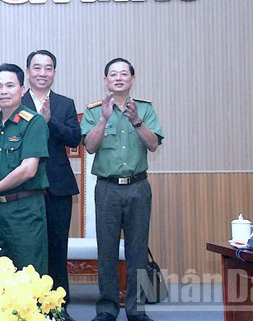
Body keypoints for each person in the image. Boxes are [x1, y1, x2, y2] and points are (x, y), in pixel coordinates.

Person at [81, 58, 164, 321]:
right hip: (107, 190)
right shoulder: (95, 110)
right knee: (106, 251)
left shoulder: (146, 109)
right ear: (105, 80)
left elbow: (153, 145)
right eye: (113, 74)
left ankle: (136, 310)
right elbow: (90, 147)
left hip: (138, 188)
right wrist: (103, 120)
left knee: (137, 251)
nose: (118, 78)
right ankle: (107, 309)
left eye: (124, 74)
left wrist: (138, 121)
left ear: (132, 79)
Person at [21, 50, 80, 321]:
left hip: (57, 187)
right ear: (28, 72)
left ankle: (59, 306)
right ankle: (28, 306)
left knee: (57, 248)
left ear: (54, 72)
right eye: (37, 68)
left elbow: (73, 139)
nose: (42, 73)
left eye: (48, 68)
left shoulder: (65, 104)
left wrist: (49, 120)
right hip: (24, 187)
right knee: (30, 247)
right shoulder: (16, 101)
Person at [0, 63, 50, 275]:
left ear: (22, 89)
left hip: (24, 211)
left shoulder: (33, 122)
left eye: (10, 85)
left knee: (29, 276)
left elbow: (28, 169)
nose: (4, 91)